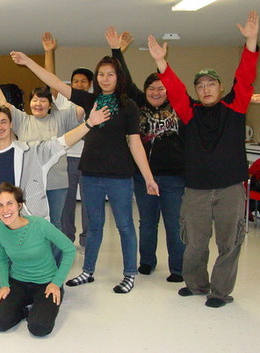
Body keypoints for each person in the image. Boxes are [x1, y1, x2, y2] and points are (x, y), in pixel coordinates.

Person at [10, 50, 159, 294]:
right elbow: (55, 83)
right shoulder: (91, 101)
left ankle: (129, 274)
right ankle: (88, 271)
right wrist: (28, 63)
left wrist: (148, 178)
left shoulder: (128, 105)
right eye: (101, 74)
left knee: (125, 226)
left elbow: (135, 142)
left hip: (119, 176)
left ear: (118, 77)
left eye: (110, 74)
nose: (105, 78)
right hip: (90, 175)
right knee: (95, 226)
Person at [147, 10, 259, 307]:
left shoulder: (235, 109)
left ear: (220, 88)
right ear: (196, 91)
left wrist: (250, 43)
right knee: (194, 243)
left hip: (230, 189)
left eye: (211, 84)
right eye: (200, 85)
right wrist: (161, 62)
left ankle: (220, 292)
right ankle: (196, 285)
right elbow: (174, 88)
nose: (205, 88)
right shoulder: (188, 113)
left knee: (229, 243)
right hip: (195, 189)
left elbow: (245, 78)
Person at [0, 104, 111, 289]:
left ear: (11, 124)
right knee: (1, 285)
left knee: (33, 283)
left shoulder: (29, 152)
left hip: (27, 234)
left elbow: (61, 142)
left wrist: (89, 123)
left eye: (3, 122)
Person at [105, 27, 185, 283]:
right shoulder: (138, 103)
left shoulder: (179, 106)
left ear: (168, 90)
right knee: (147, 223)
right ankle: (147, 262)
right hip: (143, 177)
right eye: (152, 89)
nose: (156, 92)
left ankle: (178, 268)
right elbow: (124, 78)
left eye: (161, 89)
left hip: (174, 178)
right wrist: (116, 50)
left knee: (174, 225)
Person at [0, 60, 85, 231]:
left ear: (50, 104)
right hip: (29, 183)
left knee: (55, 223)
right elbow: (2, 104)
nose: (38, 104)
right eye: (35, 100)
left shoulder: (60, 117)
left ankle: (55, 258)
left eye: (43, 100)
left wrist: (67, 88)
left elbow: (82, 109)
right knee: (29, 223)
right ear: (29, 103)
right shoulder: (22, 120)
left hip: (56, 182)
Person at [0, 182, 76, 337]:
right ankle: (26, 310)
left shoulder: (39, 225)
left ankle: (39, 308)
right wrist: (4, 285)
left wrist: (56, 283)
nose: (5, 210)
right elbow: (1, 259)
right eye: (0, 205)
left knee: (39, 328)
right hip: (18, 282)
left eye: (10, 203)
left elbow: (69, 249)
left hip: (46, 283)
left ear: (19, 205)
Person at [42, 32, 94, 246]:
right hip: (67, 158)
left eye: (83, 81)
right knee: (67, 203)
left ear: (90, 84)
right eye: (75, 81)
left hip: (90, 158)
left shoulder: (95, 101)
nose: (79, 84)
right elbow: (48, 77)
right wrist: (48, 52)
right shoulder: (62, 98)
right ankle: (66, 239)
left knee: (90, 203)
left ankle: (88, 239)